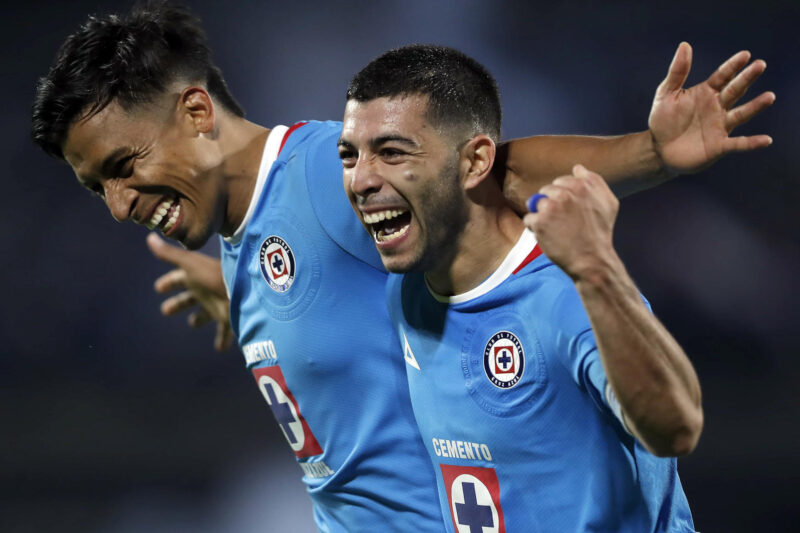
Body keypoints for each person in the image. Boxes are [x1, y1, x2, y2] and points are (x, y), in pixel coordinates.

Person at [31, 3, 772, 531]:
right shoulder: (241, 231)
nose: (119, 206)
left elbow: (495, 170)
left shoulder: (321, 172)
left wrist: (650, 154)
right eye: (100, 186)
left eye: (125, 167)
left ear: (196, 113)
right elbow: (333, 307)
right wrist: (234, 290)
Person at [340, 44, 708, 532]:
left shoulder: (569, 297)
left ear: (474, 163)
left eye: (391, 152)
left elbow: (676, 427)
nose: (361, 178)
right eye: (350, 155)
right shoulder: (408, 292)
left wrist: (599, 270)